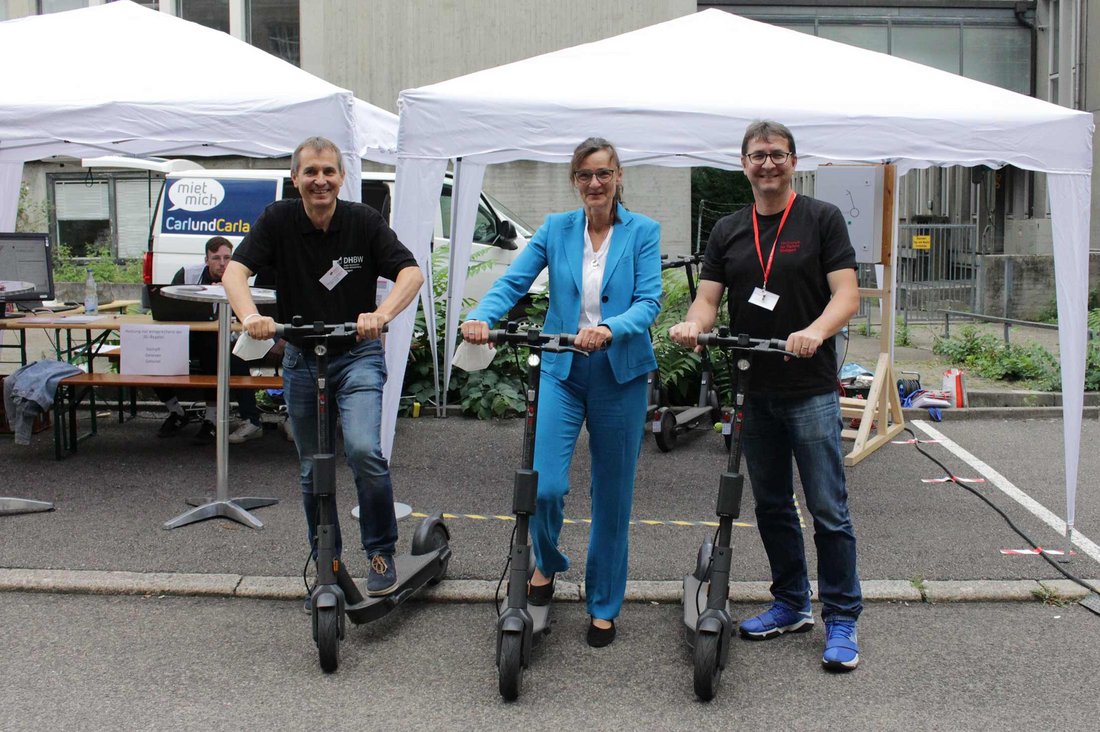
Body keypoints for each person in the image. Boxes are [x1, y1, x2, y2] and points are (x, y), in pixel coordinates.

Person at [669, 120, 863, 671]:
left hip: (808, 389)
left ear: (793, 161)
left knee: (827, 507)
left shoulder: (821, 219)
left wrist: (816, 332)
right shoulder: (730, 229)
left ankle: (843, 615)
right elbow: (708, 300)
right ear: (744, 164)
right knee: (773, 505)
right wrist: (692, 323)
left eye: (777, 154)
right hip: (754, 390)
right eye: (758, 155)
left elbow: (845, 294)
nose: (768, 164)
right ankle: (792, 602)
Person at [462, 137, 661, 648]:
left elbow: (649, 301)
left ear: (618, 177)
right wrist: (482, 315)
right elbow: (515, 281)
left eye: (603, 173)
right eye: (584, 175)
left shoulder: (642, 232)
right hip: (563, 373)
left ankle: (603, 604)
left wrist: (611, 327)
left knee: (612, 497)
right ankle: (547, 564)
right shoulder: (556, 229)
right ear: (575, 181)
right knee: (545, 486)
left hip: (620, 375)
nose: (594, 183)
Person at [222, 136, 423, 598]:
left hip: (356, 355)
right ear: (295, 179)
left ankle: (379, 550)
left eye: (328, 171)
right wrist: (251, 316)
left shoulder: (362, 221)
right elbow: (236, 271)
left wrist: (382, 314)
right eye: (310, 172)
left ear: (341, 177)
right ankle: (325, 554)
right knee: (314, 467)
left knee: (362, 451)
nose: (320, 180)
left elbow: (410, 272)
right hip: (301, 357)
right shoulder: (279, 220)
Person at [155, 235, 264, 444]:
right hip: (185, 336)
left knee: (219, 352)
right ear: (206, 259)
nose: (222, 264)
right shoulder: (187, 274)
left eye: (227, 258)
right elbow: (168, 305)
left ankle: (214, 419)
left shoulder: (237, 278)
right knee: (151, 352)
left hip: (219, 341)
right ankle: (176, 411)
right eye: (216, 258)